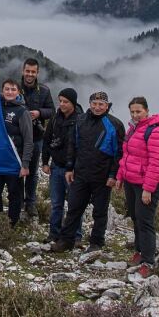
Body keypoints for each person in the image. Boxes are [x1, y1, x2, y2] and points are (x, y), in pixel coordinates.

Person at [51, 90, 124, 254]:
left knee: (100, 211)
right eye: (94, 104)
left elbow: (119, 153)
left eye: (101, 104)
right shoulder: (80, 120)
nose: (97, 107)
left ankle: (96, 242)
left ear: (107, 106)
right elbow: (72, 145)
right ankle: (66, 240)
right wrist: (69, 168)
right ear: (90, 104)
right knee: (74, 209)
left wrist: (113, 175)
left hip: (103, 176)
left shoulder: (115, 124)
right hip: (81, 174)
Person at [117, 96, 159, 278]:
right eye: (132, 112)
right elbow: (126, 155)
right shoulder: (133, 129)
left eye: (138, 111)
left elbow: (156, 163)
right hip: (131, 180)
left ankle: (148, 261)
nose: (135, 115)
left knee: (145, 221)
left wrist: (148, 189)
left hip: (146, 184)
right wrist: (120, 176)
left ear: (147, 111)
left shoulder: (155, 131)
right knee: (136, 218)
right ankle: (139, 252)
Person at [0, 79, 33, 226]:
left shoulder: (22, 111)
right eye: (7, 89)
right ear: (2, 90)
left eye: (13, 89)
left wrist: (25, 165)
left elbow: (28, 140)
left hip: (14, 161)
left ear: (18, 92)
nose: (10, 92)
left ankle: (11, 225)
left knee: (14, 194)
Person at [40, 87, 83, 244]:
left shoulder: (80, 120)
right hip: (56, 166)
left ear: (73, 102)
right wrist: (45, 162)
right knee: (56, 203)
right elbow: (46, 140)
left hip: (73, 170)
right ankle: (54, 233)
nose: (62, 104)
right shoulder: (54, 118)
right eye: (60, 101)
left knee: (74, 204)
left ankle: (76, 236)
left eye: (65, 101)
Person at [20, 58, 55, 219]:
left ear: (37, 73)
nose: (30, 74)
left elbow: (52, 111)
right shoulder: (15, 88)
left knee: (32, 172)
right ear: (23, 70)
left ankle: (30, 202)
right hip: (17, 138)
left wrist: (39, 113)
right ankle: (18, 200)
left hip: (36, 137)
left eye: (33, 71)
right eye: (27, 71)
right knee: (18, 170)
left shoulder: (44, 91)